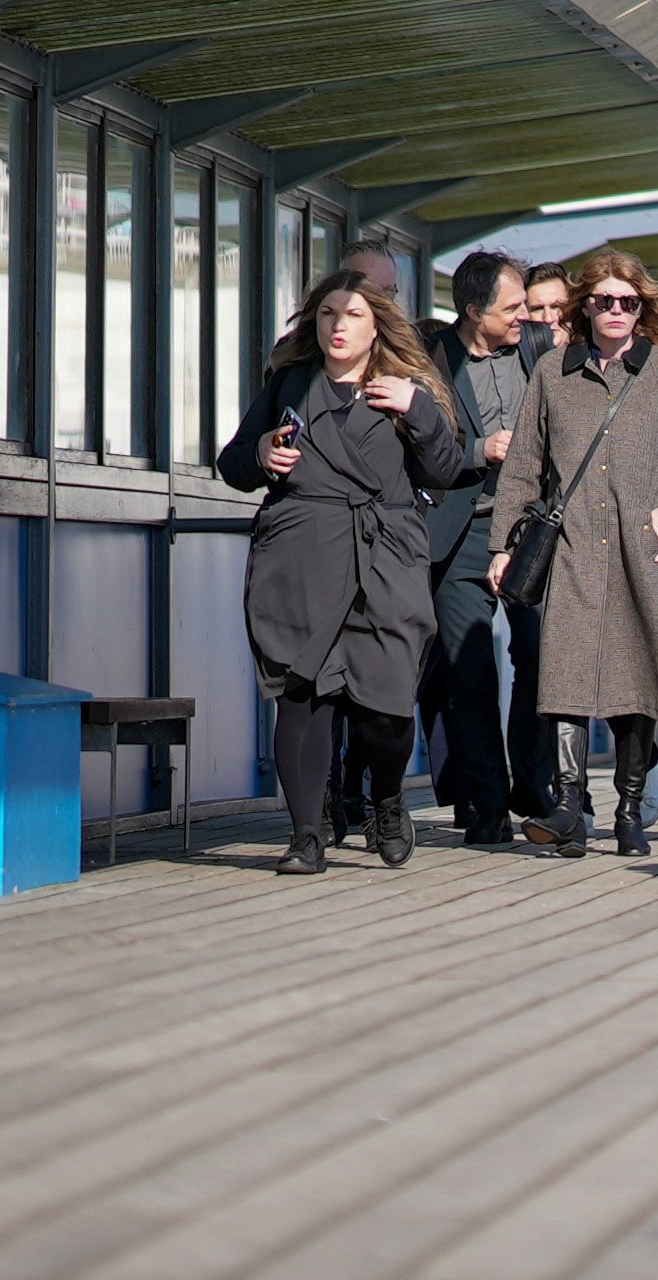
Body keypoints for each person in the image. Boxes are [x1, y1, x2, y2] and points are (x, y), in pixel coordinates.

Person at [215, 263, 470, 875]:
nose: (338, 326)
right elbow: (233, 465)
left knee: (385, 707)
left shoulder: (409, 387)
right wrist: (262, 453)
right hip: (302, 553)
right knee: (301, 697)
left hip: (386, 555)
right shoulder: (290, 382)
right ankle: (306, 834)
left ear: (377, 325)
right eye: (328, 313)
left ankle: (386, 799)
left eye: (353, 315)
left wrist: (420, 411)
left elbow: (446, 471)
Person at [483, 249, 658, 857]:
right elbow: (524, 466)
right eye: (604, 300)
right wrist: (503, 545)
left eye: (628, 302)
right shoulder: (552, 371)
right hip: (570, 552)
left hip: (645, 555)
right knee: (564, 674)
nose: (615, 311)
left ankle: (629, 811)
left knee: (635, 680)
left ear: (642, 308)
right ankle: (567, 807)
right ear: (584, 306)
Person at [424, 248, 544, 847]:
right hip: (459, 531)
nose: (525, 314)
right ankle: (488, 804)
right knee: (468, 675)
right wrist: (479, 452)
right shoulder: (431, 360)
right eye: (512, 306)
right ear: (474, 311)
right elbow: (411, 444)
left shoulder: (540, 349)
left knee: (543, 660)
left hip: (533, 531)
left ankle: (537, 788)